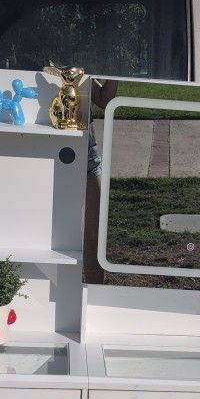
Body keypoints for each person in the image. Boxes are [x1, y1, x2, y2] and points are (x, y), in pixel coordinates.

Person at [82, 78, 118, 283]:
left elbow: (105, 99)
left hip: (87, 155)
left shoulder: (75, 67)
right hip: (51, 151)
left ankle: (94, 298)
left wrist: (117, 71)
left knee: (93, 236)